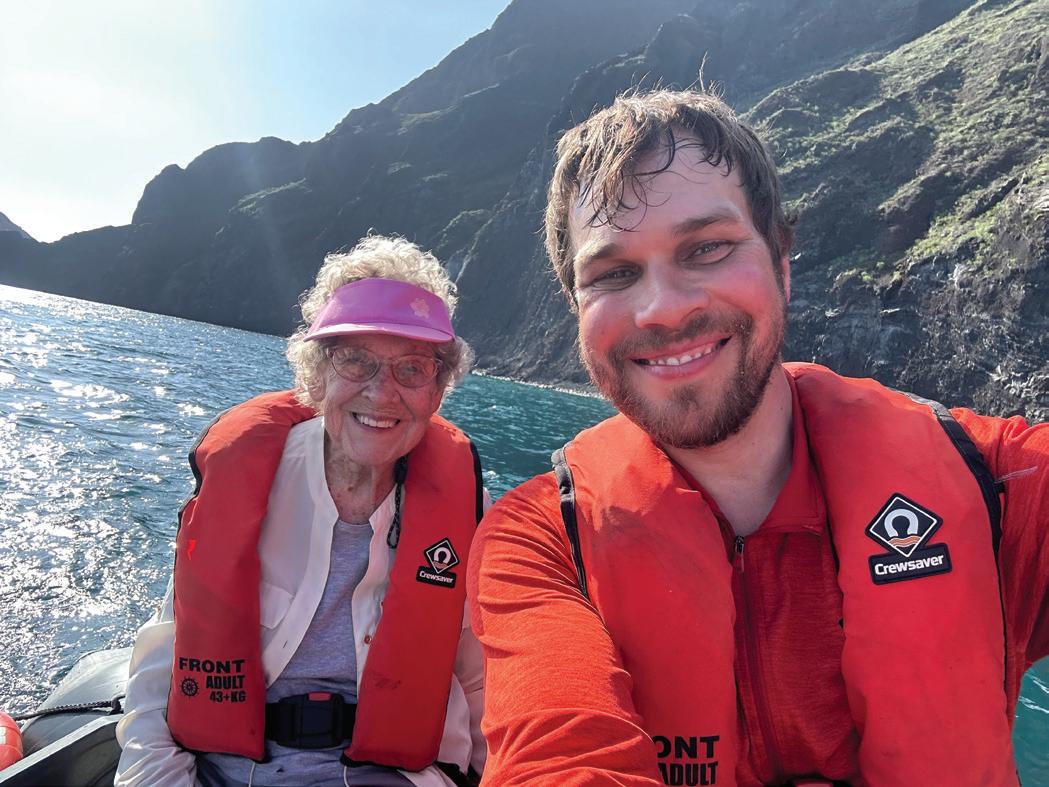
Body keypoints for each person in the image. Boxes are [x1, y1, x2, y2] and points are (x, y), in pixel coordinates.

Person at [466, 89, 1049, 786]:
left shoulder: (1000, 483)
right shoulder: (538, 545)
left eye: (707, 248)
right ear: (575, 308)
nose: (663, 308)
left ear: (781, 264)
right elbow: (558, 760)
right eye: (614, 273)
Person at [116, 235, 487, 787]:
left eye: (412, 368)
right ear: (315, 375)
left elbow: (479, 679)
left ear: (437, 391)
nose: (382, 393)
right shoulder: (249, 481)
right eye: (355, 360)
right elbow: (163, 663)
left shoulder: (465, 510)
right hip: (225, 771)